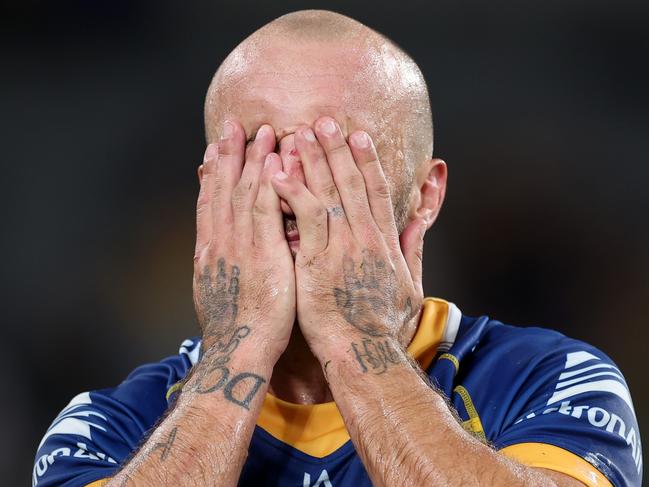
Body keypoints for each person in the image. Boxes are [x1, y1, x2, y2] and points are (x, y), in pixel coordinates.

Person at [33, 10, 642, 487]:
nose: (295, 185)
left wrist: (359, 344)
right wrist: (238, 349)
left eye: (339, 153)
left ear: (425, 194)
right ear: (211, 189)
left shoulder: (550, 380)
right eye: (259, 148)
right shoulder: (110, 425)